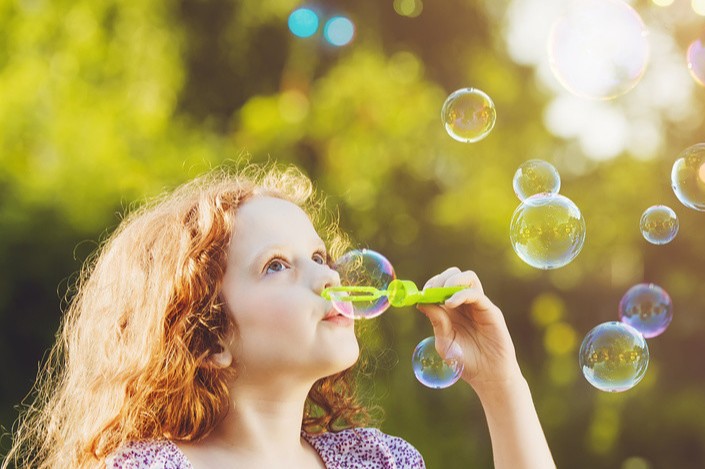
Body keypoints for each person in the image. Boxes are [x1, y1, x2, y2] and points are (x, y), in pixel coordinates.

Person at [2, 163, 556, 468]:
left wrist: (500, 384)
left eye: (319, 257)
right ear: (209, 336)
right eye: (275, 266)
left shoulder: (377, 461)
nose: (327, 276)